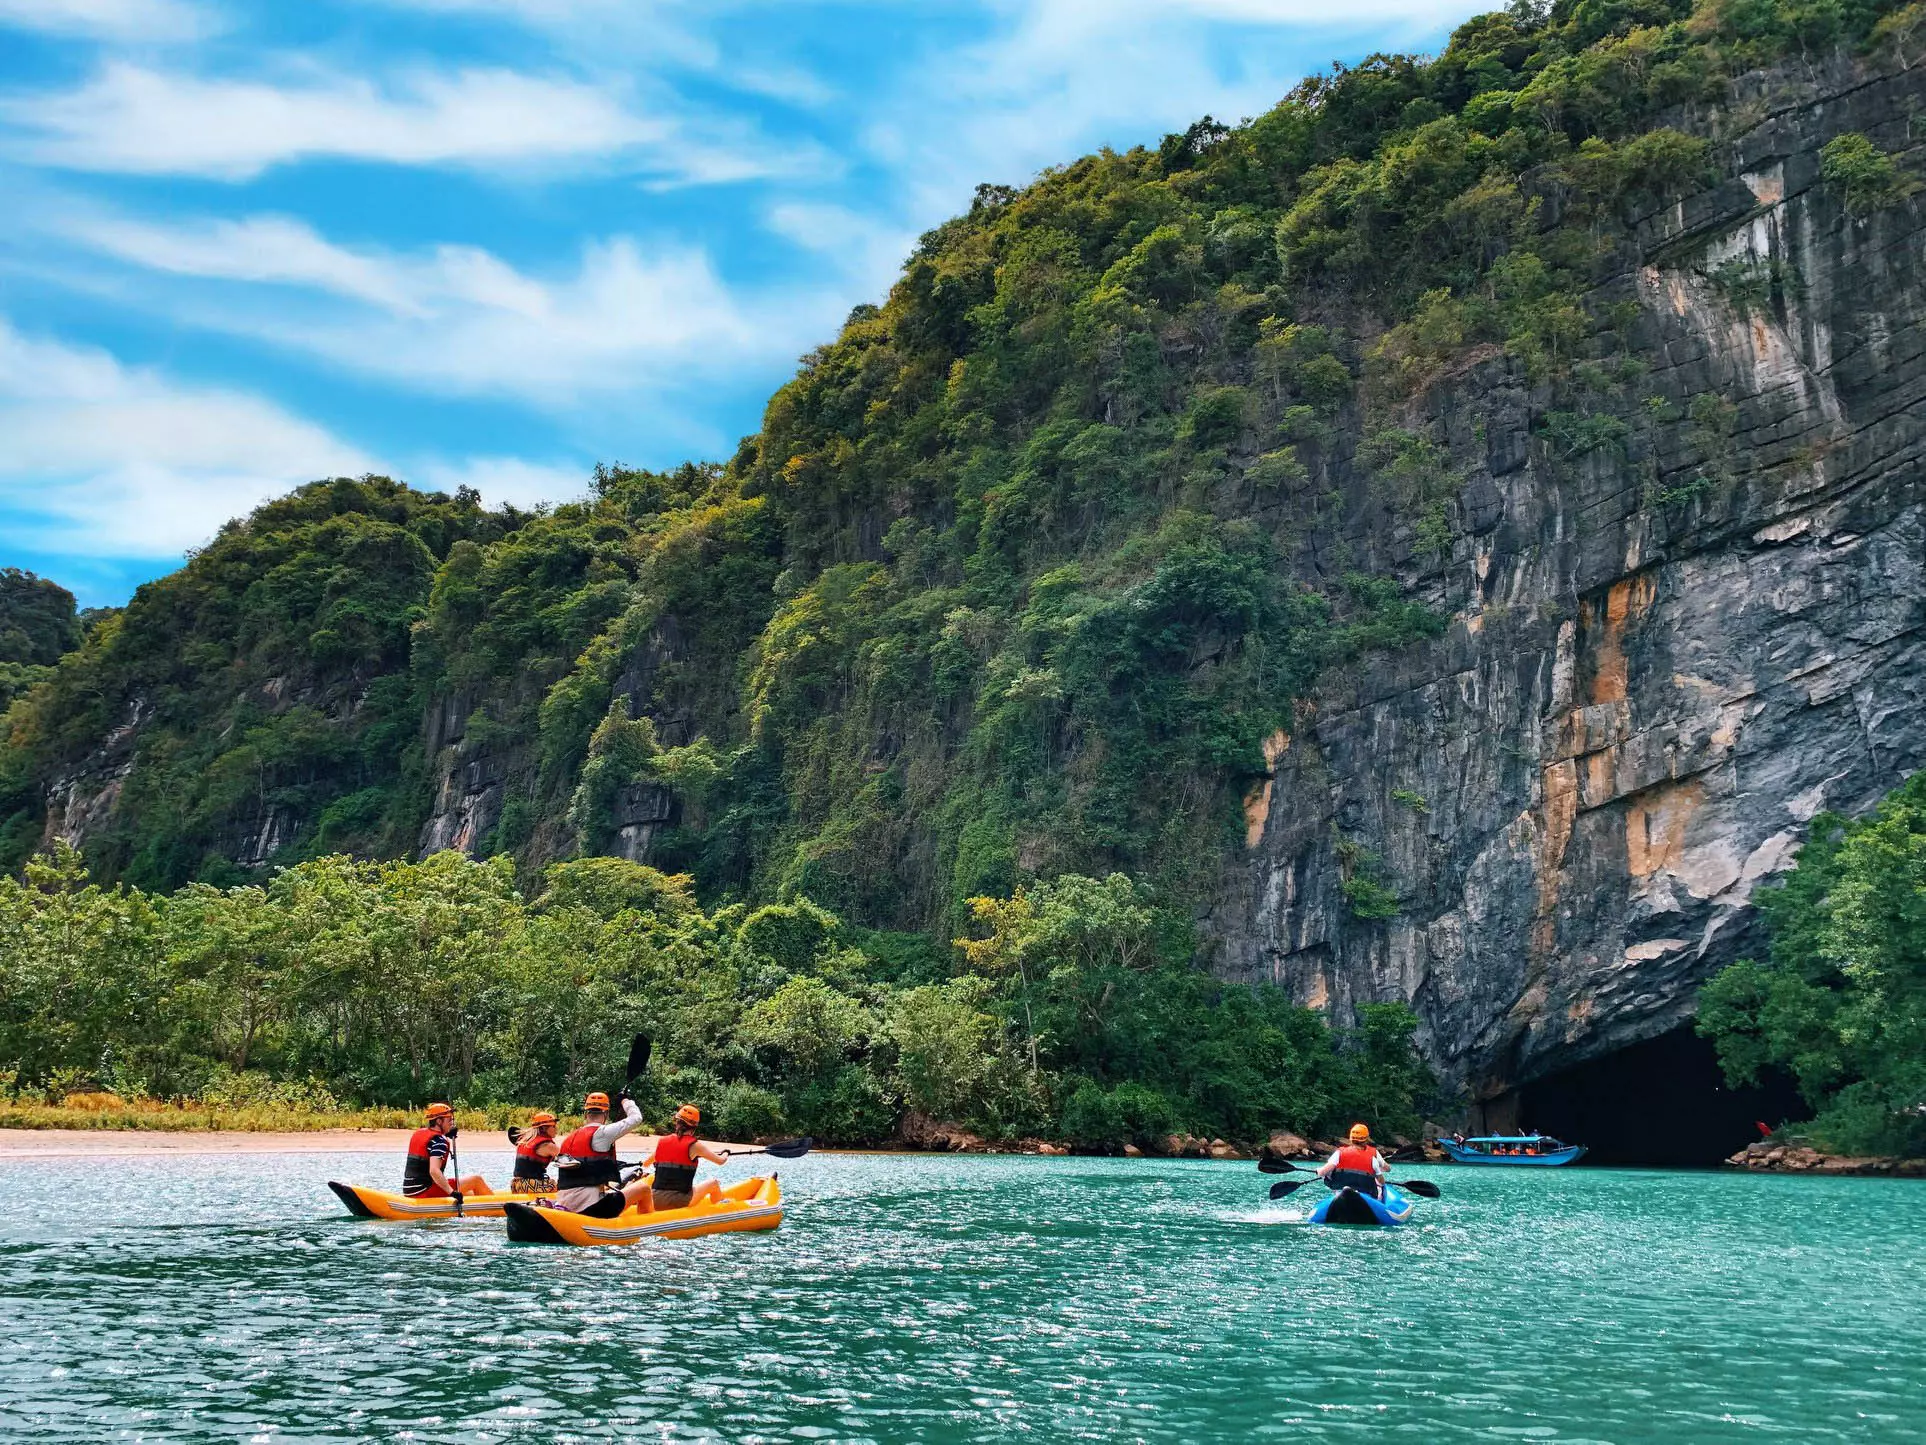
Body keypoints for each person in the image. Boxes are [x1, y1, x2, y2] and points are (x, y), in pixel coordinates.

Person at [548, 1091, 652, 1214]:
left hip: (565, 1203)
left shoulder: (569, 1139)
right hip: (592, 1207)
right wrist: (625, 1100)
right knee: (644, 1188)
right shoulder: (602, 1133)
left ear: (585, 1114)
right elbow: (636, 1118)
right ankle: (644, 1223)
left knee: (619, 1188)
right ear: (606, 1114)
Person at [642, 1104, 731, 1212]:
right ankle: (720, 1211)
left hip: (654, 1199)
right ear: (694, 1127)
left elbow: (646, 1163)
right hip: (679, 1201)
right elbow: (721, 1161)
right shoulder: (695, 1145)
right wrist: (726, 1152)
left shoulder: (662, 1141)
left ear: (677, 1122)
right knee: (714, 1183)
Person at [402, 1102, 491, 1199]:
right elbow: (434, 1171)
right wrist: (452, 1193)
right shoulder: (439, 1141)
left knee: (469, 1193)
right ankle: (499, 1207)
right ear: (439, 1121)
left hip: (410, 1191)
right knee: (476, 1180)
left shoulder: (419, 1133)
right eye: (449, 1120)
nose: (452, 1123)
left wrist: (445, 1134)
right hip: (425, 1191)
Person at [1317, 1123, 1389, 1199]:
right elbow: (1382, 1181)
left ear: (1351, 1138)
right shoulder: (1373, 1158)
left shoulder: (1339, 1153)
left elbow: (1322, 1172)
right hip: (1365, 1197)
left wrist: (1318, 1170)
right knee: (1379, 1188)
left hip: (1341, 1195)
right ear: (1366, 1139)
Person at [511, 1111, 560, 1194]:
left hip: (516, 1185)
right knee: (565, 1186)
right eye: (554, 1126)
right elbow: (569, 1159)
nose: (556, 1129)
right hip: (532, 1186)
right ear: (544, 1128)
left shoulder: (526, 1141)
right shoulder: (547, 1145)